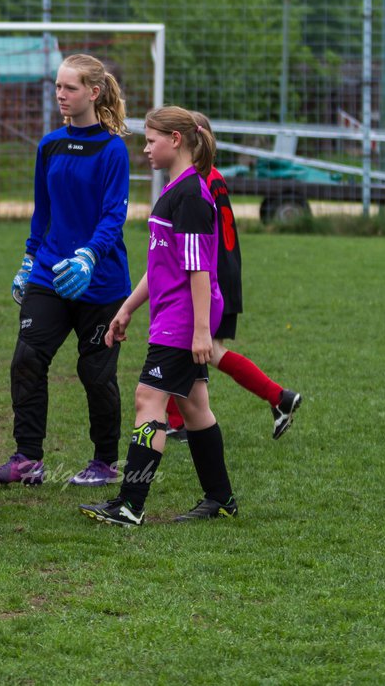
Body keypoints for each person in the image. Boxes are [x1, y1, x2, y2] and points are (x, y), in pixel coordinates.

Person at [81, 105, 238, 526]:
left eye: (151, 140)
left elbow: (200, 270)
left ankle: (130, 503)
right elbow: (162, 266)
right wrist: (128, 308)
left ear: (176, 140)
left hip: (184, 320)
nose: (146, 148)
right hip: (176, 316)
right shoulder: (176, 190)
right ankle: (220, 498)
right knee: (194, 408)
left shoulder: (190, 195)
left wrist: (201, 331)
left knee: (148, 400)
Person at [0, 54, 132, 488]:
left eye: (69, 88)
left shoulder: (113, 149)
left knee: (96, 373)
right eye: (58, 87)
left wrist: (87, 256)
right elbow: (42, 213)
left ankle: (104, 462)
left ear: (93, 92)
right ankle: (28, 459)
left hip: (100, 281)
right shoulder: (49, 145)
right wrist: (29, 260)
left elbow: (112, 217)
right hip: (49, 274)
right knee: (27, 360)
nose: (61, 95)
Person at [163, 113, 302, 441]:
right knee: (198, 348)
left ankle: (275, 396)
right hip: (227, 271)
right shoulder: (214, 176)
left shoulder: (194, 182)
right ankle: (178, 420)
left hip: (211, 277)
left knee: (194, 347)